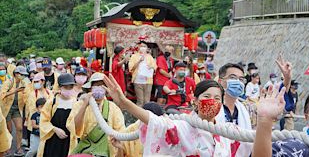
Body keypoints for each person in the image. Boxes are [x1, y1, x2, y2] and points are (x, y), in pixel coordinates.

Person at [104, 75, 237, 156]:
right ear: (195, 101)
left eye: (217, 98)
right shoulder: (184, 127)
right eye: (207, 96)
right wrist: (125, 103)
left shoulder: (226, 132)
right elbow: (155, 122)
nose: (212, 101)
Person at [68, 72, 125, 156]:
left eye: (102, 86)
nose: (99, 88)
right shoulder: (79, 105)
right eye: (96, 85)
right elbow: (74, 129)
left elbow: (121, 132)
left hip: (107, 152)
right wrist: (84, 106)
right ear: (90, 88)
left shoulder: (113, 108)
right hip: (84, 152)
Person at [37, 73, 77, 157]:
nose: (68, 90)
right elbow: (43, 121)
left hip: (69, 141)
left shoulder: (76, 103)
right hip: (52, 140)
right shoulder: (51, 102)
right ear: (59, 87)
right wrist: (55, 129)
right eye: (66, 87)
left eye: (71, 87)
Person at [1, 66, 28, 156]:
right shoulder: (8, 82)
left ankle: (18, 148)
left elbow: (26, 94)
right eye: (22, 74)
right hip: (7, 108)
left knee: (19, 128)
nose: (23, 76)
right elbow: (2, 95)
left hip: (17, 108)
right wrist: (15, 91)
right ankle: (6, 148)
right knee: (9, 129)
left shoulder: (23, 83)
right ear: (16, 74)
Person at [25, 73, 52, 144]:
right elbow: (32, 109)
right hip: (36, 121)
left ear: (43, 81)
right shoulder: (32, 94)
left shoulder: (49, 93)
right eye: (35, 82)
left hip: (47, 120)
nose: (36, 83)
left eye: (38, 81)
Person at [128, 41, 157, 107]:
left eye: (144, 46)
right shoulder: (134, 56)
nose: (143, 48)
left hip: (148, 81)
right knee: (140, 100)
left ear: (147, 48)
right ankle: (138, 115)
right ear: (138, 47)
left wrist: (151, 67)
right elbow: (131, 68)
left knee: (147, 101)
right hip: (138, 80)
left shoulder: (150, 57)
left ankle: (147, 115)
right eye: (141, 46)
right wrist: (139, 61)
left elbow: (155, 67)